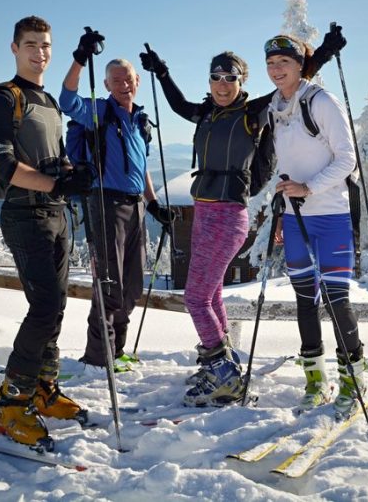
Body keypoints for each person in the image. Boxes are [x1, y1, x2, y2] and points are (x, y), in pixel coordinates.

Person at [139, 26, 345, 407]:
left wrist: (326, 52)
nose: (221, 84)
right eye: (215, 77)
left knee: (195, 296)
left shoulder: (253, 112)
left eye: (229, 77)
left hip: (229, 214)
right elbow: (178, 105)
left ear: (241, 80)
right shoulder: (205, 113)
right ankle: (223, 361)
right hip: (203, 211)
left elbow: (294, 80)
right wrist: (161, 71)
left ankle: (222, 374)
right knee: (211, 291)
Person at [0, 16, 93, 445]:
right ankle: (10, 404)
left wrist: (73, 173)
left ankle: (43, 388)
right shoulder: (3, 100)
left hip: (57, 213)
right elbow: (3, 165)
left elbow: (53, 158)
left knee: (56, 306)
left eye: (45, 45)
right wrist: (56, 182)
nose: (40, 52)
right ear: (14, 48)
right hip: (25, 214)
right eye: (31, 45)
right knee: (43, 307)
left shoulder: (46, 100)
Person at [264, 33, 368, 418]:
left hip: (331, 218)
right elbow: (287, 165)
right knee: (304, 300)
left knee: (336, 300)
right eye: (271, 64)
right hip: (294, 219)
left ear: (299, 64)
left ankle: (353, 377)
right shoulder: (277, 107)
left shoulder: (321, 102)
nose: (276, 70)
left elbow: (348, 159)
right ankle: (314, 380)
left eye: (283, 63)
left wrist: (309, 188)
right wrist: (283, 209)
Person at [59, 29, 173, 372]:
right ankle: (98, 357)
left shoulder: (140, 120)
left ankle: (117, 350)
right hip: (105, 203)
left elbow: (142, 167)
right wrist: (80, 59)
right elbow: (67, 100)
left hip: (136, 205)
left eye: (128, 78)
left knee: (132, 284)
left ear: (137, 80)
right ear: (107, 85)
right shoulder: (98, 111)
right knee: (110, 282)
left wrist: (153, 204)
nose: (124, 84)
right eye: (116, 80)